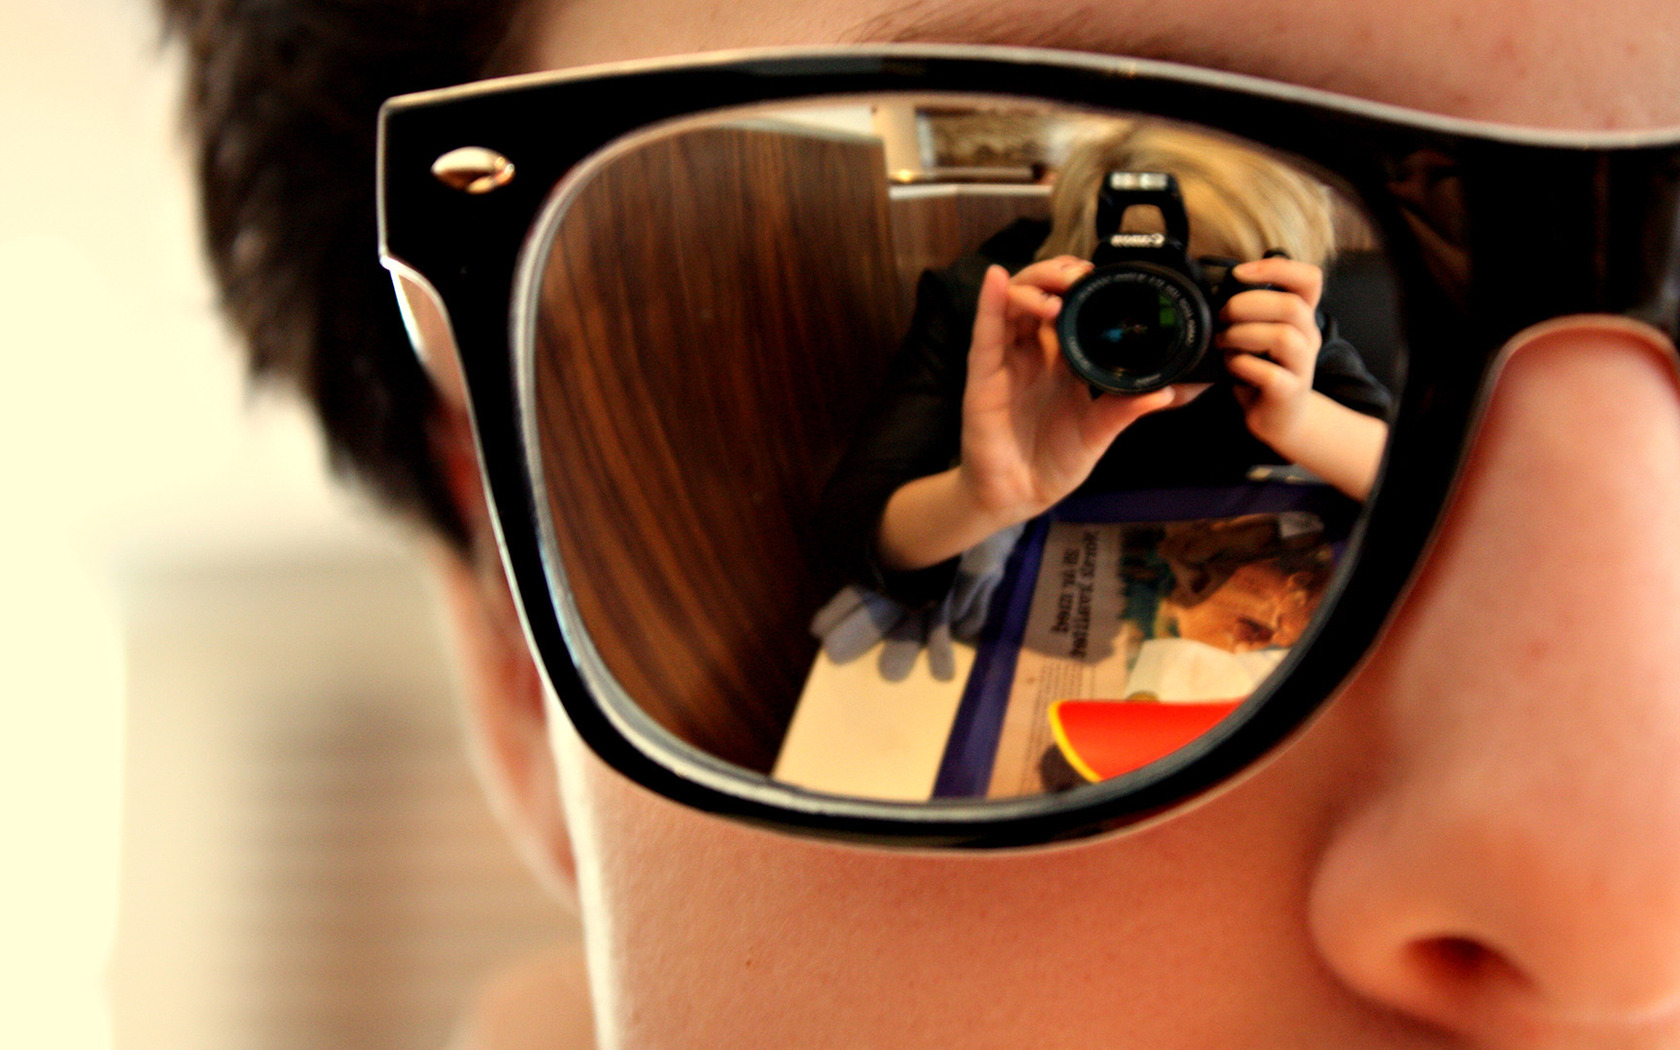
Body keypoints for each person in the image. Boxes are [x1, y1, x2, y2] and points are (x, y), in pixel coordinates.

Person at [159, 1, 1680, 1048]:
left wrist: (1312, 418)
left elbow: (1382, 440)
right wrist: (1004, 479)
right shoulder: (989, 306)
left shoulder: (1334, 317)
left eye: (1223, 253)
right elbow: (878, 539)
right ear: (509, 630)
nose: (1615, 883)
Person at [822, 121, 1390, 613]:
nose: (1164, 314)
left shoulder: (1274, 326)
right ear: (1077, 255)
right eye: (1137, 283)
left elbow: (1422, 477)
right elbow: (852, 531)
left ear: (1267, 275)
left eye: (1205, 283)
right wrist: (981, 498)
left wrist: (1298, 420)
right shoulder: (1001, 314)